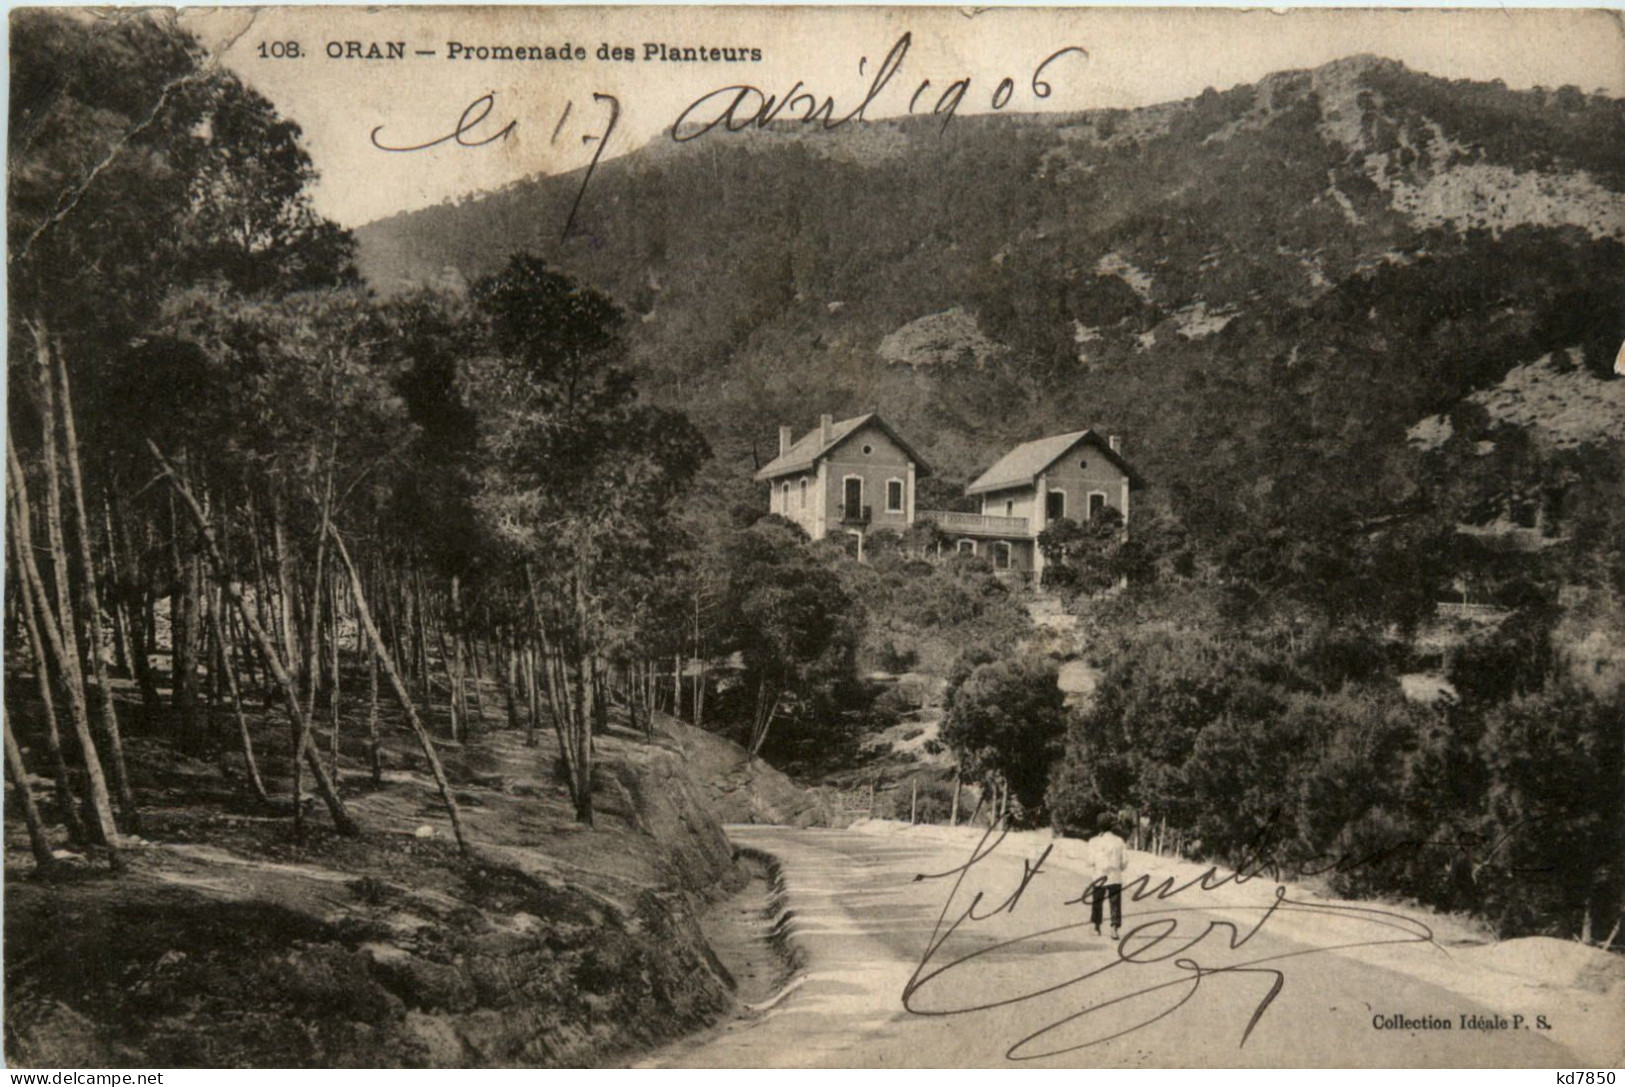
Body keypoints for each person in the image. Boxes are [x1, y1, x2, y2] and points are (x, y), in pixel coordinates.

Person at [1090, 812, 1126, 940]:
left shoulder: (1094, 841)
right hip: (1115, 876)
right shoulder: (1119, 841)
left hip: (1099, 875)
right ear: (1112, 826)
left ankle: (1096, 927)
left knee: (1097, 901)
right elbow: (1124, 862)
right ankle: (1114, 929)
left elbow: (1090, 861)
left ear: (1099, 827)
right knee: (1115, 903)